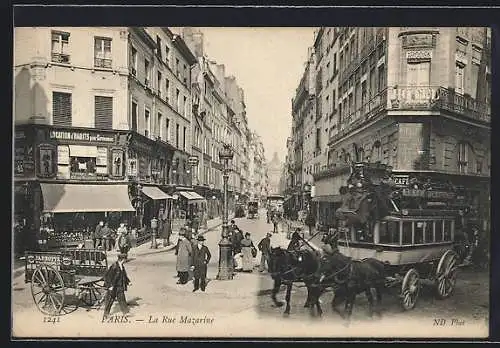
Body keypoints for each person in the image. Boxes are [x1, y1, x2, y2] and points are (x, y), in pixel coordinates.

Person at [102, 253, 131, 320]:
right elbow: (107, 276)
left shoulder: (121, 266)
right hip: (113, 286)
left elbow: (124, 275)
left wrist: (128, 282)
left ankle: (125, 312)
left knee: (122, 299)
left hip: (119, 286)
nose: (125, 261)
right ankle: (106, 314)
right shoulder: (114, 266)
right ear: (122, 259)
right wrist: (110, 286)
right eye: (125, 260)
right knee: (110, 300)